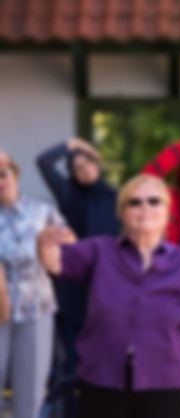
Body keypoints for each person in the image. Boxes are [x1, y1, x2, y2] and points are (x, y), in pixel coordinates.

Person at [38, 174, 180, 418]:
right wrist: (45, 244)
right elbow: (57, 263)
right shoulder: (99, 250)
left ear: (167, 213)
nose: (144, 207)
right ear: (122, 213)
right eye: (134, 202)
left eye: (154, 201)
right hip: (101, 378)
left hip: (167, 380)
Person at [37, 137, 119, 376]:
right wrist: (73, 145)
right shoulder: (68, 195)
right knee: (72, 354)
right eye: (78, 168)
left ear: (98, 166)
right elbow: (44, 162)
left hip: (105, 281)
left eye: (88, 165)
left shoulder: (115, 198)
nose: (85, 171)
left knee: (104, 348)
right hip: (71, 283)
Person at [0, 150, 65, 418]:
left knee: (31, 392)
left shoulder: (42, 211)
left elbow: (66, 249)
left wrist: (55, 247)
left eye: (4, 173)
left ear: (15, 175)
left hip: (35, 308)